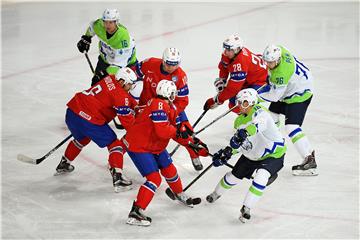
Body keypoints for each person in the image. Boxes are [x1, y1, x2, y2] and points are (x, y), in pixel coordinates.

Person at [123, 80, 208, 226]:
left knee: (169, 168)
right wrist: (179, 133)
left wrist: (192, 143)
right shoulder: (158, 105)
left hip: (154, 145)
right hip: (140, 146)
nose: (175, 95)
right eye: (174, 93)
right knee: (154, 179)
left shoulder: (168, 106)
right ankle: (136, 212)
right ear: (169, 93)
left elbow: (175, 131)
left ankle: (179, 193)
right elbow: (163, 131)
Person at [205, 88, 286, 223]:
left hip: (273, 154)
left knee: (261, 176)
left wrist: (245, 133)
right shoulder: (238, 122)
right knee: (233, 177)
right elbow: (242, 143)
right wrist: (228, 152)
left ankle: (246, 208)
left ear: (252, 102)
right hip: (253, 154)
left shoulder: (260, 112)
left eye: (244, 102)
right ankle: (215, 194)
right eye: (239, 102)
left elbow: (257, 126)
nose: (240, 105)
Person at [55, 67, 138, 193]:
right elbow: (128, 124)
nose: (130, 88)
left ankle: (64, 163)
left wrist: (135, 106)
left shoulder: (110, 78)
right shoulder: (120, 97)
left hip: (73, 112)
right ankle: (118, 177)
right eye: (129, 85)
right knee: (114, 144)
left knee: (82, 138)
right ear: (121, 82)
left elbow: (123, 98)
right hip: (89, 120)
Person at [132, 47, 207, 171]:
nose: (171, 68)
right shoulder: (150, 63)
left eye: (175, 64)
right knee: (142, 134)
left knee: (186, 132)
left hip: (171, 108)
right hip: (147, 108)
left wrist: (170, 113)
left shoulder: (180, 76)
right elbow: (133, 74)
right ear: (163, 60)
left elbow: (182, 101)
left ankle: (194, 154)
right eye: (168, 64)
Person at [258, 45, 317, 176]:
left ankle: (309, 159)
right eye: (266, 61)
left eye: (271, 62)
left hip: (300, 93)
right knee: (271, 118)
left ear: (278, 60)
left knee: (291, 127)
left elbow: (274, 96)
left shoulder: (281, 74)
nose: (268, 64)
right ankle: (273, 148)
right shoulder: (279, 50)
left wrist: (256, 96)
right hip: (293, 86)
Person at [203, 34, 267, 114]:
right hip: (248, 79)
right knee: (233, 103)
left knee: (241, 103)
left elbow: (233, 89)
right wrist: (223, 80)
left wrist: (216, 100)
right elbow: (224, 66)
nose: (225, 52)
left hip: (261, 81)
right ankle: (247, 115)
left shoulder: (240, 63)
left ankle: (255, 118)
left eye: (229, 50)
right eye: (225, 48)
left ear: (237, 49)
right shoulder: (228, 54)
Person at [77, 9, 137, 86]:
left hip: (126, 65)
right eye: (105, 21)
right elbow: (92, 29)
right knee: (96, 86)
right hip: (105, 60)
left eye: (111, 22)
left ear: (116, 22)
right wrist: (86, 38)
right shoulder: (99, 25)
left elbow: (118, 65)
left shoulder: (123, 37)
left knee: (120, 90)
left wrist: (103, 74)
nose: (107, 25)